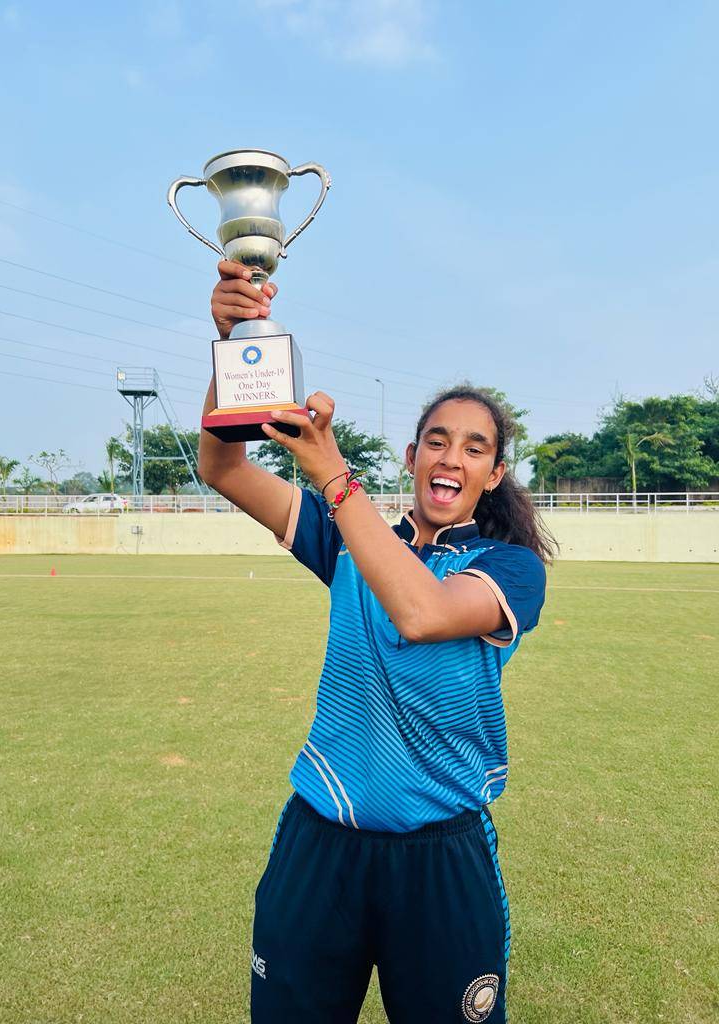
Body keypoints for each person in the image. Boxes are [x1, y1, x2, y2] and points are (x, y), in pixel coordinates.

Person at [200, 260, 557, 1024]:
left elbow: (421, 612)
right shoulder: (350, 538)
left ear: (493, 474)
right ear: (412, 458)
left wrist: (333, 474)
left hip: (441, 857)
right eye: (435, 441)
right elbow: (222, 466)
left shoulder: (510, 568)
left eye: (472, 447)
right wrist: (232, 348)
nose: (450, 458)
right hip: (319, 841)